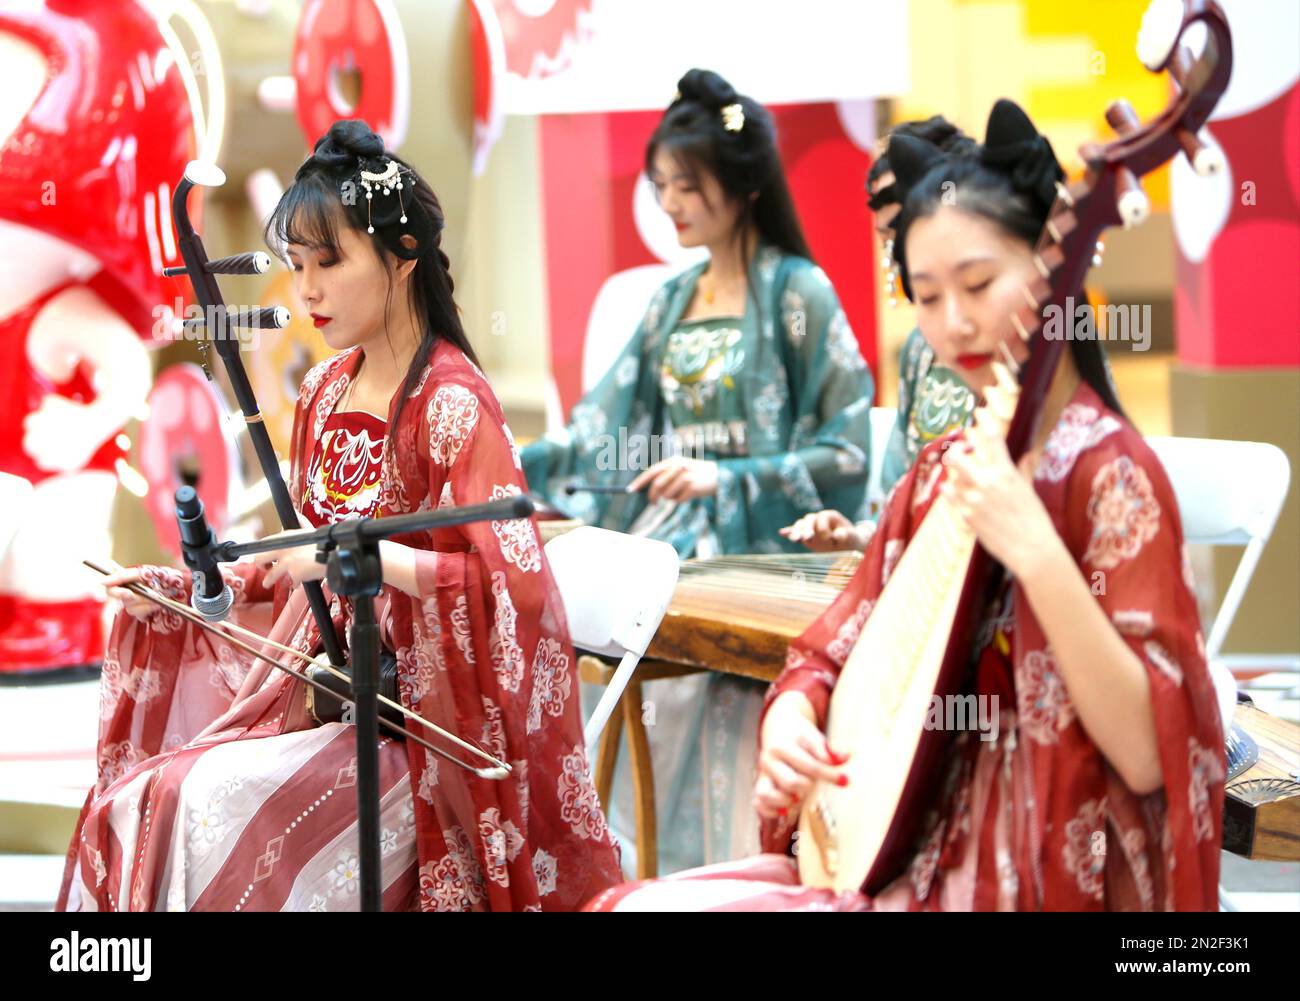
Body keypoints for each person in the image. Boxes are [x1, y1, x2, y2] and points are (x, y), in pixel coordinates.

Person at [586, 99, 1224, 911]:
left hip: (1037, 871)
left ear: (1054, 271)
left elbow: (1147, 754)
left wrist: (1034, 548)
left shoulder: (1114, 479)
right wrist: (791, 717)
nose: (952, 322)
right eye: (925, 296)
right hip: (906, 844)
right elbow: (828, 648)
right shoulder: (941, 471)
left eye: (980, 283)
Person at [58, 120, 622, 912]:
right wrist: (175, 587)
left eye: (330, 261)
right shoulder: (323, 393)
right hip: (320, 700)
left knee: (197, 802)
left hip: (416, 737)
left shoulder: (453, 405)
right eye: (296, 266)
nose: (307, 290)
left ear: (402, 258)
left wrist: (369, 560)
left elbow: (511, 590)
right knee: (147, 798)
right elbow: (288, 566)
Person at [522, 69, 874, 873]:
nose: (672, 203)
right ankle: (636, 871)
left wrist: (732, 477)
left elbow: (849, 449)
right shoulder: (668, 301)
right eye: (662, 187)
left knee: (701, 687)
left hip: (763, 550)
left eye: (688, 184)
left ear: (742, 183)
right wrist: (513, 460)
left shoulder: (800, 294)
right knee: (597, 658)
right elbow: (603, 430)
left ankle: (730, 872)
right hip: (669, 541)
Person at [783, 117, 977, 554]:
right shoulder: (919, 349)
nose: (899, 259)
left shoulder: (1024, 335)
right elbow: (899, 489)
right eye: (891, 242)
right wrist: (858, 537)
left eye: (903, 236)